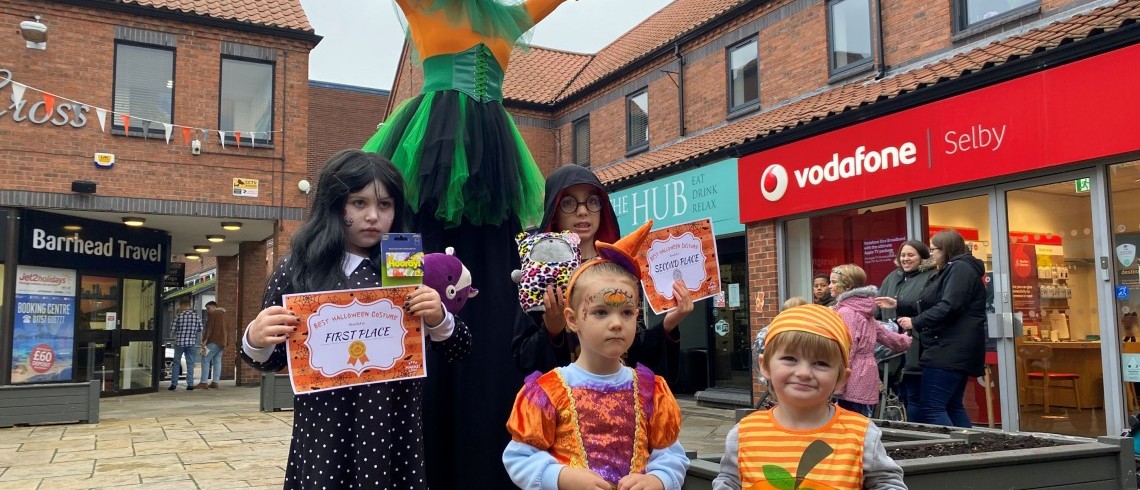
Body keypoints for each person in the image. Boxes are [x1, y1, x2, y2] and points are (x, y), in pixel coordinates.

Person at [360, 2, 583, 487]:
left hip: (490, 165)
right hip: (430, 148)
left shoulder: (508, 16)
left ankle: (487, 452)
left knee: (490, 294)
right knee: (413, 272)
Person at [239, 149, 472, 489]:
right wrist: (255, 338)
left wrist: (439, 318)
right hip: (325, 435)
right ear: (335, 205)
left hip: (396, 433)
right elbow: (270, 358)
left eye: (385, 204)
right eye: (359, 203)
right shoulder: (300, 267)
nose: (373, 216)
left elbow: (460, 349)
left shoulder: (409, 268)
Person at [503, 221, 689, 490]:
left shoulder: (651, 392)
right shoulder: (548, 392)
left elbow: (671, 454)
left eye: (626, 312)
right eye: (601, 312)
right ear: (573, 319)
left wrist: (658, 479)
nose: (616, 323)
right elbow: (519, 457)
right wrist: (560, 477)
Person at [513, 164, 693, 376]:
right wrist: (552, 330)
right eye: (569, 202)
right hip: (565, 401)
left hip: (615, 397)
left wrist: (668, 325)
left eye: (592, 201)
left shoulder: (616, 270)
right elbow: (522, 358)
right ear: (554, 212)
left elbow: (634, 349)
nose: (583, 211)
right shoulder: (538, 273)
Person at [712, 304, 907, 490]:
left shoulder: (860, 434)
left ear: (841, 378)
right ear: (765, 366)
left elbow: (888, 482)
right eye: (790, 359)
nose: (804, 372)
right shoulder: (744, 433)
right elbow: (729, 480)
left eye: (821, 363)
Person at [897, 230, 986, 428]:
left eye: (934, 249)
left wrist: (916, 322)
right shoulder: (953, 269)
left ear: (946, 250)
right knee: (952, 405)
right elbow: (933, 303)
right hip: (951, 348)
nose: (932, 254)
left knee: (932, 407)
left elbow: (949, 306)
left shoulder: (960, 269)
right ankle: (968, 449)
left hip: (948, 349)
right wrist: (897, 304)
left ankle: (953, 451)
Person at [829, 264, 911, 417]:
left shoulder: (847, 312)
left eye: (833, 282)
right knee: (863, 418)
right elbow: (886, 335)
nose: (830, 286)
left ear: (846, 286)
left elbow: (848, 346)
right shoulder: (864, 311)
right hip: (867, 373)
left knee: (851, 421)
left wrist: (838, 382)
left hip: (851, 375)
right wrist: (905, 340)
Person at [874, 240, 937, 419]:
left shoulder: (931, 276)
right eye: (903, 255)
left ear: (922, 257)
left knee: (915, 396)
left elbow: (930, 307)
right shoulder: (893, 276)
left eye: (911, 255)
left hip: (918, 344)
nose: (906, 259)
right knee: (897, 395)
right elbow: (878, 307)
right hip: (890, 349)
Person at [752, 296, 810, 409]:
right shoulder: (772, 331)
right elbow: (758, 354)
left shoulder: (769, 330)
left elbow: (757, 354)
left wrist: (765, 375)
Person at [169, 298, 202, 391]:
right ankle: (190, 384)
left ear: (183, 305)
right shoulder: (196, 316)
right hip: (191, 343)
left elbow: (172, 330)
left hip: (179, 342)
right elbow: (200, 328)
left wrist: (175, 335)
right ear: (190, 305)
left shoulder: (178, 316)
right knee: (190, 363)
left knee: (176, 363)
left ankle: (174, 384)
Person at [196, 301, 227, 389]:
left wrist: (204, 341)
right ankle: (215, 382)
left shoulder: (214, 314)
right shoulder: (224, 314)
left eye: (208, 308)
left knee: (205, 359)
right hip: (222, 341)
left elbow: (209, 328)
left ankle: (204, 382)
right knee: (217, 360)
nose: (207, 311)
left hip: (214, 340)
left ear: (214, 307)